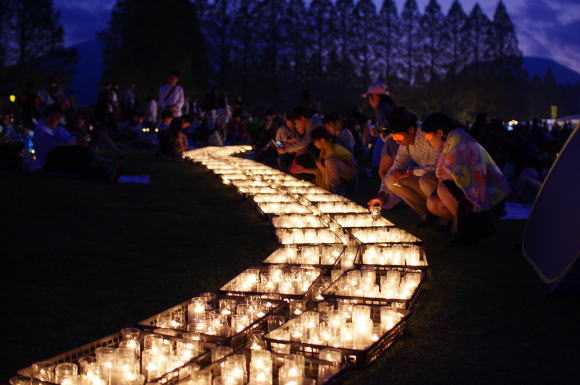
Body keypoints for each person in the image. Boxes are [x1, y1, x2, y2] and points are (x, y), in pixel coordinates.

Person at [421, 113, 510, 239]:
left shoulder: (460, 143)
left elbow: (468, 181)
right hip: (479, 200)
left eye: (428, 136)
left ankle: (468, 230)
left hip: (490, 203)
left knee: (441, 189)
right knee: (433, 200)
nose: (427, 141)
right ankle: (458, 224)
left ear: (440, 133)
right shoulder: (454, 141)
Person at [367, 107, 441, 226]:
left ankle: (443, 217)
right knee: (393, 179)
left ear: (411, 129)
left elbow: (438, 167)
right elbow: (396, 166)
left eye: (399, 137)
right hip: (425, 178)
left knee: (425, 181)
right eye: (394, 138)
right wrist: (381, 194)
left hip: (440, 179)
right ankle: (427, 215)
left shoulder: (427, 136)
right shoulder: (406, 143)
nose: (396, 141)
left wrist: (410, 172)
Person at [362, 82, 400, 208]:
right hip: (396, 140)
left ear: (375, 96)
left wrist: (376, 130)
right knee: (393, 170)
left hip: (391, 140)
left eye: (369, 97)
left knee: (384, 171)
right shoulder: (389, 106)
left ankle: (392, 198)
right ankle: (394, 196)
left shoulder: (381, 107)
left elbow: (384, 125)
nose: (369, 101)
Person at [305, 126, 358, 194]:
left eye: (315, 142)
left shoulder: (332, 150)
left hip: (351, 171)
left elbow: (328, 169)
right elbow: (327, 171)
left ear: (322, 140)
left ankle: (336, 189)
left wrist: (321, 167)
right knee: (329, 162)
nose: (314, 144)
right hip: (344, 171)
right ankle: (334, 188)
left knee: (330, 161)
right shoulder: (324, 151)